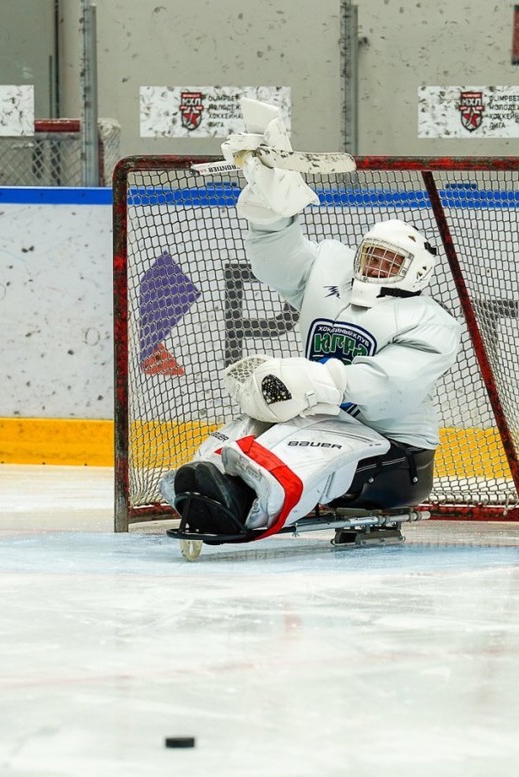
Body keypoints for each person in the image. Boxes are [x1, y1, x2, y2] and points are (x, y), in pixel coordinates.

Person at [162, 100, 462, 539]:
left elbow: (390, 390)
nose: (373, 267)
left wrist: (319, 382)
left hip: (398, 452)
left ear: (414, 271)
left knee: (303, 445)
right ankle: (205, 485)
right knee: (249, 426)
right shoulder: (331, 271)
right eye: (371, 255)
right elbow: (279, 261)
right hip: (322, 415)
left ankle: (247, 508)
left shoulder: (431, 323)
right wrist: (272, 201)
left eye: (388, 262)